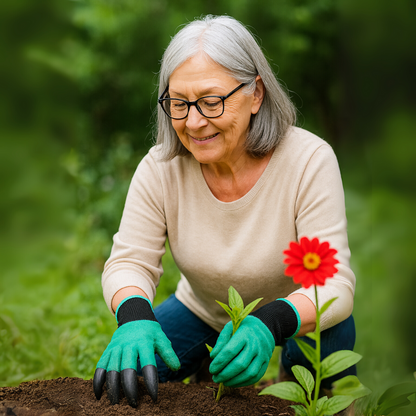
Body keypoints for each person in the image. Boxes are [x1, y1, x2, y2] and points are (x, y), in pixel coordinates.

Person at [93, 15, 356, 408]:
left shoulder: (308, 161)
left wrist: (270, 323)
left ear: (256, 94)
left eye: (211, 101)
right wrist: (134, 317)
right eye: (179, 104)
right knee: (129, 379)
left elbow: (333, 286)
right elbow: (129, 261)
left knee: (331, 334)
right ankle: (203, 374)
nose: (194, 122)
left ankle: (298, 384)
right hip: (201, 310)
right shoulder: (162, 167)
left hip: (291, 318)